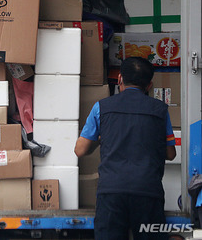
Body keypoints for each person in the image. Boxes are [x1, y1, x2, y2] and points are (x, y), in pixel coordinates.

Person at [74, 57, 176, 240]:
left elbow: (80, 150)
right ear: (150, 85)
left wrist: (101, 138)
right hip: (148, 192)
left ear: (119, 79)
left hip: (111, 193)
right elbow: (170, 153)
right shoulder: (160, 110)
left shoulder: (102, 108)